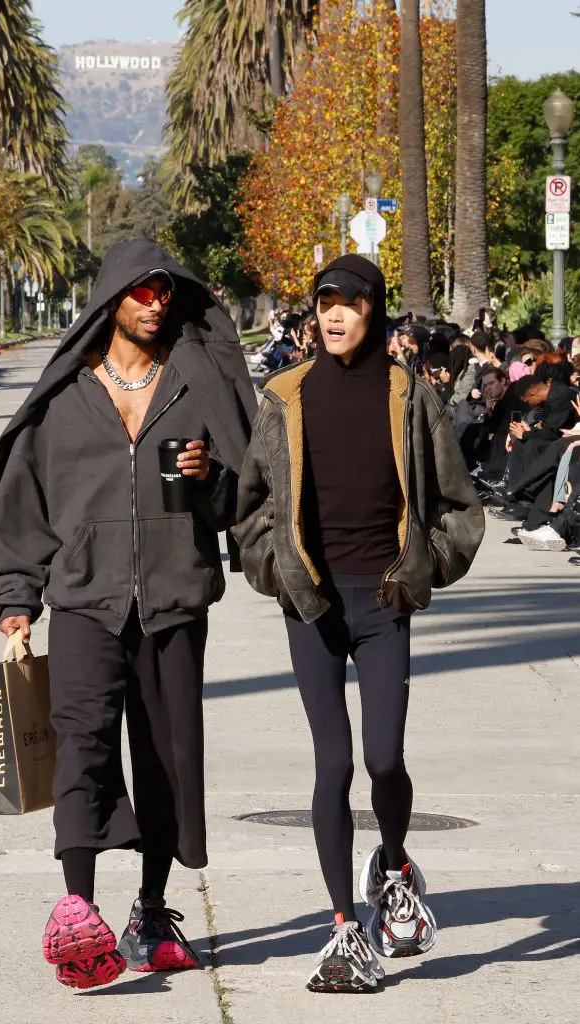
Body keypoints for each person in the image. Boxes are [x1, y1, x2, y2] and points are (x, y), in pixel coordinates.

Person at [0, 239, 256, 991]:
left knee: (166, 758)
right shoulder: (66, 395)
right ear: (111, 299)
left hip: (173, 601)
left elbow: (241, 500)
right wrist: (15, 597)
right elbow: (22, 503)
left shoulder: (195, 382)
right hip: (83, 600)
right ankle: (77, 908)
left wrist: (208, 481)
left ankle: (151, 907)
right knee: (82, 745)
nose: (155, 302)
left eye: (164, 290)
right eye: (140, 291)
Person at [232, 255, 484, 994]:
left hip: (380, 601)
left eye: (347, 303)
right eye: (323, 304)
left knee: (382, 760)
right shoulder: (283, 394)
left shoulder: (409, 396)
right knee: (333, 763)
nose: (333, 316)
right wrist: (273, 571)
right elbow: (251, 507)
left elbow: (457, 505)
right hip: (310, 602)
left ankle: (396, 864)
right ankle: (344, 928)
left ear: (373, 310)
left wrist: (423, 568)